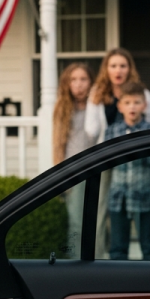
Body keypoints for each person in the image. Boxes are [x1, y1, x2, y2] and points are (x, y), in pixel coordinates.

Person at [85, 48, 150, 258]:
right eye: (113, 66)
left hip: (139, 161)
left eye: (123, 65)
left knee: (144, 210)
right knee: (104, 211)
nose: (118, 70)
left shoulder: (141, 92)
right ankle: (99, 257)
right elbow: (91, 130)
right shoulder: (98, 92)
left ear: (129, 68)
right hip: (107, 157)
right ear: (106, 69)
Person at [104, 81, 150, 260]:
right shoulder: (112, 131)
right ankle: (118, 283)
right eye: (128, 102)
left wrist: (141, 151)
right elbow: (106, 163)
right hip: (118, 198)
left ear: (144, 105)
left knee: (148, 247)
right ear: (120, 106)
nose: (132, 107)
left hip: (144, 197)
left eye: (137, 102)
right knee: (117, 248)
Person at [53, 62, 96, 250]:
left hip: (97, 169)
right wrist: (60, 177)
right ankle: (75, 263)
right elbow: (58, 146)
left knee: (97, 221)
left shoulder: (97, 108)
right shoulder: (63, 109)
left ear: (91, 82)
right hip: (73, 173)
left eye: (83, 79)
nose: (78, 84)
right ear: (67, 84)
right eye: (73, 80)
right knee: (77, 222)